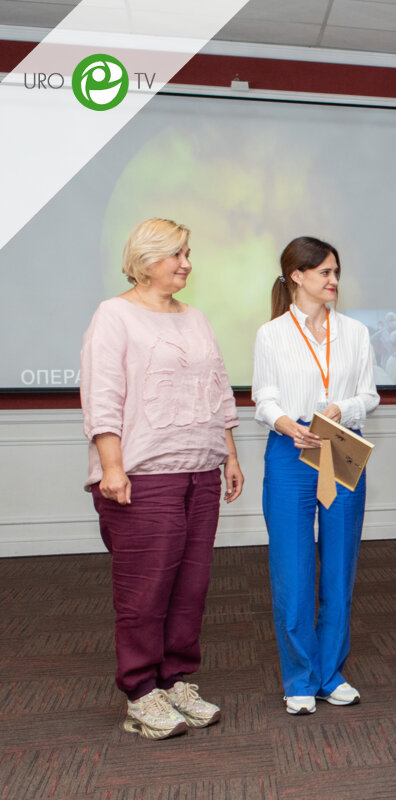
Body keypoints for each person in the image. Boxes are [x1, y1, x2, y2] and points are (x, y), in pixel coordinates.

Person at [81, 218, 243, 740]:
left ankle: (175, 680)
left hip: (201, 472)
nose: (187, 263)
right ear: (146, 259)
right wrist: (111, 467)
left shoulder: (196, 318)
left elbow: (219, 391)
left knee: (191, 587)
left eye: (188, 253)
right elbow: (102, 396)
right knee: (144, 592)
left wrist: (229, 455)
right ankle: (140, 692)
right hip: (143, 476)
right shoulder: (114, 315)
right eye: (177, 254)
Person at [251, 236, 379, 716]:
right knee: (294, 569)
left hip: (340, 444)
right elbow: (263, 398)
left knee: (340, 567)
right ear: (297, 276)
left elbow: (369, 395)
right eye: (324, 272)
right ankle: (299, 678)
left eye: (336, 272)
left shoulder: (355, 333)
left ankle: (330, 674)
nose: (333, 280)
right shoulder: (272, 334)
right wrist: (285, 422)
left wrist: (342, 409)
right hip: (291, 450)